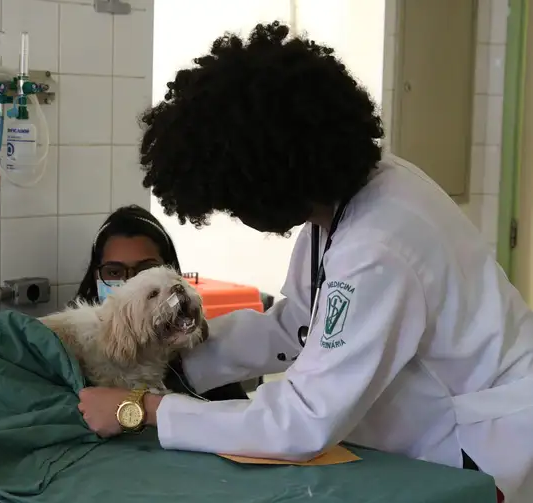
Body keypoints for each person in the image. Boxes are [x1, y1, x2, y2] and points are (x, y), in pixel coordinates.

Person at [77, 22, 533, 503]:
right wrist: (172, 356)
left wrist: (143, 408)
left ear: (268, 182)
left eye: (232, 203)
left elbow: (301, 421)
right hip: (423, 431)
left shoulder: (377, 245)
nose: (237, 216)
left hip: (478, 445)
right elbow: (297, 325)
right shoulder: (351, 199)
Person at [73, 204, 248, 402]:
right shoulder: (73, 352)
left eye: (146, 271)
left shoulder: (204, 353)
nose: (132, 285)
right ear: (96, 274)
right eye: (114, 272)